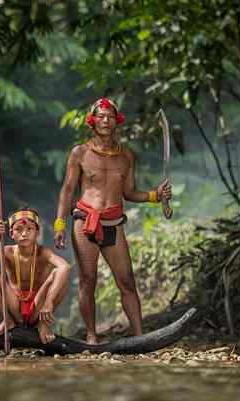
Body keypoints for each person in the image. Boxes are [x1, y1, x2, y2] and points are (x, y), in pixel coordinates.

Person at [54, 98, 172, 344]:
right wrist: (59, 224)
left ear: (116, 122)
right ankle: (91, 335)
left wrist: (155, 195)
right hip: (85, 221)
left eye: (110, 117)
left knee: (127, 281)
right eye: (101, 116)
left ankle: (140, 337)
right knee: (88, 280)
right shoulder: (80, 153)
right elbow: (67, 190)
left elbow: (129, 193)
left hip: (113, 223)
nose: (105, 121)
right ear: (92, 121)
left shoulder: (126, 156)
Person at [0, 208, 71, 344]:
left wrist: (49, 301)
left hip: (38, 308)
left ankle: (42, 325)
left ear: (37, 233)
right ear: (11, 234)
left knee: (60, 277)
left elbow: (65, 267)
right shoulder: (7, 251)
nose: (24, 234)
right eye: (19, 229)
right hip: (14, 306)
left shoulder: (43, 252)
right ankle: (8, 321)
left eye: (29, 229)